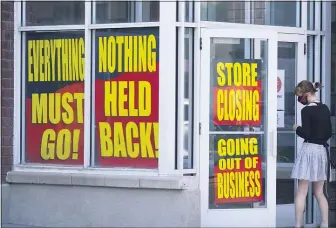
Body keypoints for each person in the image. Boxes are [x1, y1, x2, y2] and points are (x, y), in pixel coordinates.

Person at [291, 80, 332, 228]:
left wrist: (297, 128)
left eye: (300, 95)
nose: (299, 99)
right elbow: (328, 132)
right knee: (319, 192)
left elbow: (306, 133)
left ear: (307, 94)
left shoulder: (306, 110)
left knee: (302, 191)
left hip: (309, 150)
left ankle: (298, 225)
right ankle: (325, 224)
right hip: (321, 151)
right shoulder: (325, 108)